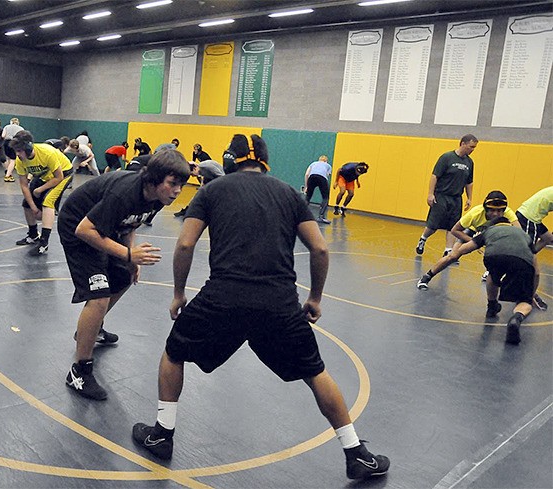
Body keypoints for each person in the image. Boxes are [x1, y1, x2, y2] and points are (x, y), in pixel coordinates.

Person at [131, 134, 390, 481]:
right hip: (278, 303)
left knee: (173, 353)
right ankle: (355, 452)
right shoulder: (288, 193)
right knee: (315, 373)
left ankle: (162, 433)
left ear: (230, 159)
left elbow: (185, 244)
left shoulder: (211, 191)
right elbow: (320, 250)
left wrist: (178, 293)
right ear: (265, 161)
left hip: (223, 298)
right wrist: (314, 297)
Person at [58, 150, 190, 401]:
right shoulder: (124, 193)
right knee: (98, 294)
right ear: (154, 180)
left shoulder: (158, 198)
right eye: (173, 184)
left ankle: (92, 329)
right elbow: (85, 230)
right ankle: (79, 372)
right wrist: (129, 255)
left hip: (106, 229)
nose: (177, 191)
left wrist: (128, 255)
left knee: (123, 277)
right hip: (78, 227)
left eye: (181, 185)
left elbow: (132, 222)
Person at [416, 216, 535, 345]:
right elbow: (535, 267)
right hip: (523, 261)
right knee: (524, 301)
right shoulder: (524, 235)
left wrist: (429, 275)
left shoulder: (489, 232)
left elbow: (458, 252)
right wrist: (531, 291)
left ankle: (492, 306)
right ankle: (516, 318)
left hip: (494, 256)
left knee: (493, 274)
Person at [11, 130, 74, 256]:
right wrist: (34, 208)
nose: (17, 154)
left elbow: (59, 177)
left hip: (64, 174)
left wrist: (40, 189)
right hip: (45, 176)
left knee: (48, 202)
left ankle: (44, 243)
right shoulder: (20, 161)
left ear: (28, 148)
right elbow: (24, 185)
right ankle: (33, 235)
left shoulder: (46, 152)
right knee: (26, 205)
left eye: (19, 151)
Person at [415, 134, 477, 256]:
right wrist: (430, 194)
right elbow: (435, 176)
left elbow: (469, 182)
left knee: (453, 226)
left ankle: (448, 250)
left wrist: (469, 198)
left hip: (456, 198)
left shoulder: (470, 162)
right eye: (471, 146)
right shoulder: (447, 158)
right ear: (463, 144)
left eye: (474, 147)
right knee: (433, 225)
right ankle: (423, 239)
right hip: (442, 196)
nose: (472, 150)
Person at [516, 186, 553, 311]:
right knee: (531, 266)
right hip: (528, 219)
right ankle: (527, 295)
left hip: (530, 217)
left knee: (548, 237)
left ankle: (530, 253)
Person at [304, 155, 333, 224]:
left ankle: (300, 213)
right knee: (325, 197)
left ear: (319, 160)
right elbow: (326, 175)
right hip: (322, 178)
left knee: (308, 196)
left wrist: (306, 186)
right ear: (326, 161)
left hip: (312, 177)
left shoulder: (313, 163)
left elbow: (307, 174)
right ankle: (321, 216)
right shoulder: (328, 165)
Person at [1, 117, 24, 182]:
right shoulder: (21, 128)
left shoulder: (6, 127)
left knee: (7, 158)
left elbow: (3, 136)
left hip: (6, 143)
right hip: (14, 143)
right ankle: (7, 176)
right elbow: (22, 137)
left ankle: (9, 173)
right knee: (13, 160)